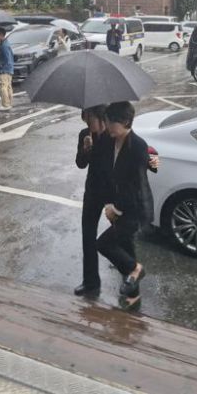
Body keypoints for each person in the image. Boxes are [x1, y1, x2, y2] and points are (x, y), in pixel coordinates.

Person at [96, 101, 157, 310]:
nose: (107, 125)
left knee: (104, 244)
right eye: (107, 121)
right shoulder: (109, 139)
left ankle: (136, 269)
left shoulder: (138, 147)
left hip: (135, 209)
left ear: (125, 122)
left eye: (111, 122)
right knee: (125, 248)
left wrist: (116, 209)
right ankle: (134, 294)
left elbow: (136, 186)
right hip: (118, 204)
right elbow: (106, 171)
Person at [74, 105, 110, 297]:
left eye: (90, 119)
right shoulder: (84, 134)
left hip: (112, 192)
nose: (87, 123)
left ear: (100, 118)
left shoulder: (113, 135)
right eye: (85, 119)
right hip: (93, 191)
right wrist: (86, 150)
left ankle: (130, 276)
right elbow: (80, 164)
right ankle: (90, 282)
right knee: (87, 235)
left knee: (120, 238)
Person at [0, 27, 14, 111]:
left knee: (3, 87)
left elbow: (7, 59)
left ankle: (5, 105)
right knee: (8, 87)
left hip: (4, 70)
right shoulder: (4, 43)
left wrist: (1, 66)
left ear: (0, 34)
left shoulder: (4, 45)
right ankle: (9, 103)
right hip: (9, 69)